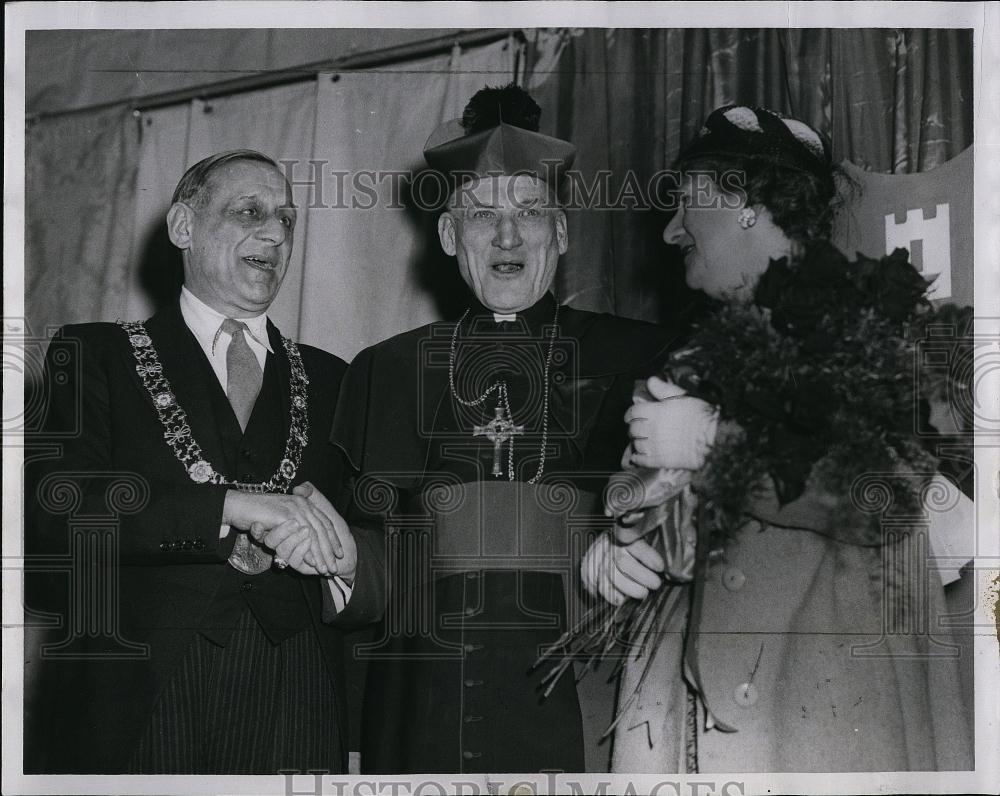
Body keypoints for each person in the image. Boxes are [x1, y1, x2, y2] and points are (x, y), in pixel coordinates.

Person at [582, 105, 975, 773]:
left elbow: (885, 500)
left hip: (818, 721)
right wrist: (620, 545)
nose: (673, 230)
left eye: (686, 203)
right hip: (692, 725)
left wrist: (713, 446)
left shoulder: (875, 327)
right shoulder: (692, 352)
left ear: (745, 199)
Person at [325, 84, 675, 774]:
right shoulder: (382, 373)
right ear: (451, 236)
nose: (508, 235)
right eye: (482, 214)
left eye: (530, 212)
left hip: (585, 696)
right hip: (420, 711)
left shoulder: (642, 358)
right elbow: (367, 574)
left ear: (563, 232)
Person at [24, 150, 369, 774]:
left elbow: (368, 541)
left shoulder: (336, 379)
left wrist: (344, 563)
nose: (274, 232)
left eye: (286, 220)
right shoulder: (94, 355)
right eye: (249, 211)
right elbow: (55, 517)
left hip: (298, 690)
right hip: (139, 689)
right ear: (184, 227)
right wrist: (229, 505)